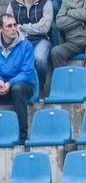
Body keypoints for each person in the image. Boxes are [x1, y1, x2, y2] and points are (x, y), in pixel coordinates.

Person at [7, 0, 52, 91]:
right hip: (20, 40)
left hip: (41, 39)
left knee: (39, 58)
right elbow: (9, 28)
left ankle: (40, 87)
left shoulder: (46, 2)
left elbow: (45, 28)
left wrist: (22, 27)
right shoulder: (13, 5)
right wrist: (36, 26)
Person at [0, 13, 36, 144]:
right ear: (1, 29)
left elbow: (27, 72)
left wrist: (10, 83)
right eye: (9, 26)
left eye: (14, 25)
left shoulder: (26, 45)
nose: (13, 28)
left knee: (18, 89)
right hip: (3, 84)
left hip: (23, 85)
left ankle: (22, 136)